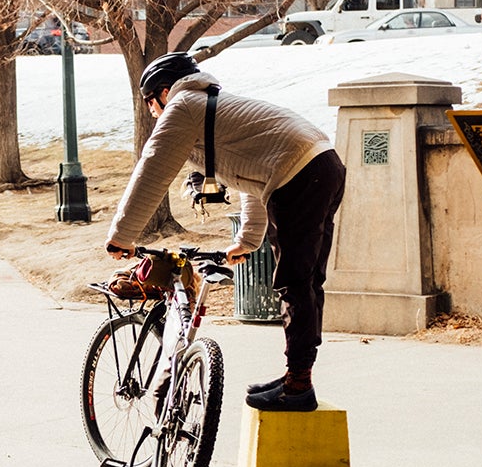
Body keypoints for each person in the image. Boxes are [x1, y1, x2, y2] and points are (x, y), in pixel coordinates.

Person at [105, 51, 346, 412]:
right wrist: (247, 240)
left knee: (296, 281)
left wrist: (122, 235)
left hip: (300, 175)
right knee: (307, 281)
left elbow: (152, 169)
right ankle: (297, 376)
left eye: (151, 104)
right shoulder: (211, 107)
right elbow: (254, 176)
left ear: (163, 92)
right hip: (321, 166)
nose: (153, 113)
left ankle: (298, 385)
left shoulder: (184, 106)